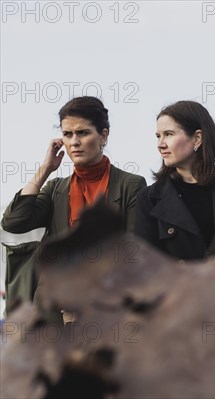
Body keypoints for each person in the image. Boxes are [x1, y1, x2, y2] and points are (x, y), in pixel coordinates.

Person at [1, 96, 147, 305]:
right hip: (54, 308)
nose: (74, 142)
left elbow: (134, 250)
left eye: (83, 133)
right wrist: (45, 169)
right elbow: (14, 223)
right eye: (67, 134)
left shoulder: (131, 185)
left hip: (108, 305)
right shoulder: (55, 189)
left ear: (103, 135)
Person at [134, 101, 215, 261]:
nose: (160, 144)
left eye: (169, 134)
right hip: (179, 286)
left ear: (197, 138)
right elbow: (146, 267)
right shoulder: (149, 199)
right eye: (158, 136)